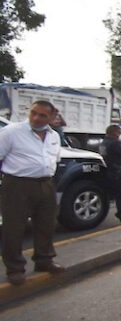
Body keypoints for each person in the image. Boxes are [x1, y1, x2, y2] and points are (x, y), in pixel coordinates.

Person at [0, 100, 66, 285]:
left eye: (42, 115)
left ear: (51, 117)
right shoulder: (12, 132)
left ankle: (44, 261)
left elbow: (54, 159)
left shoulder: (54, 136)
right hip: (17, 184)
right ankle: (15, 268)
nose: (36, 118)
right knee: (14, 227)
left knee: (47, 224)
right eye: (33, 113)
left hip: (45, 184)